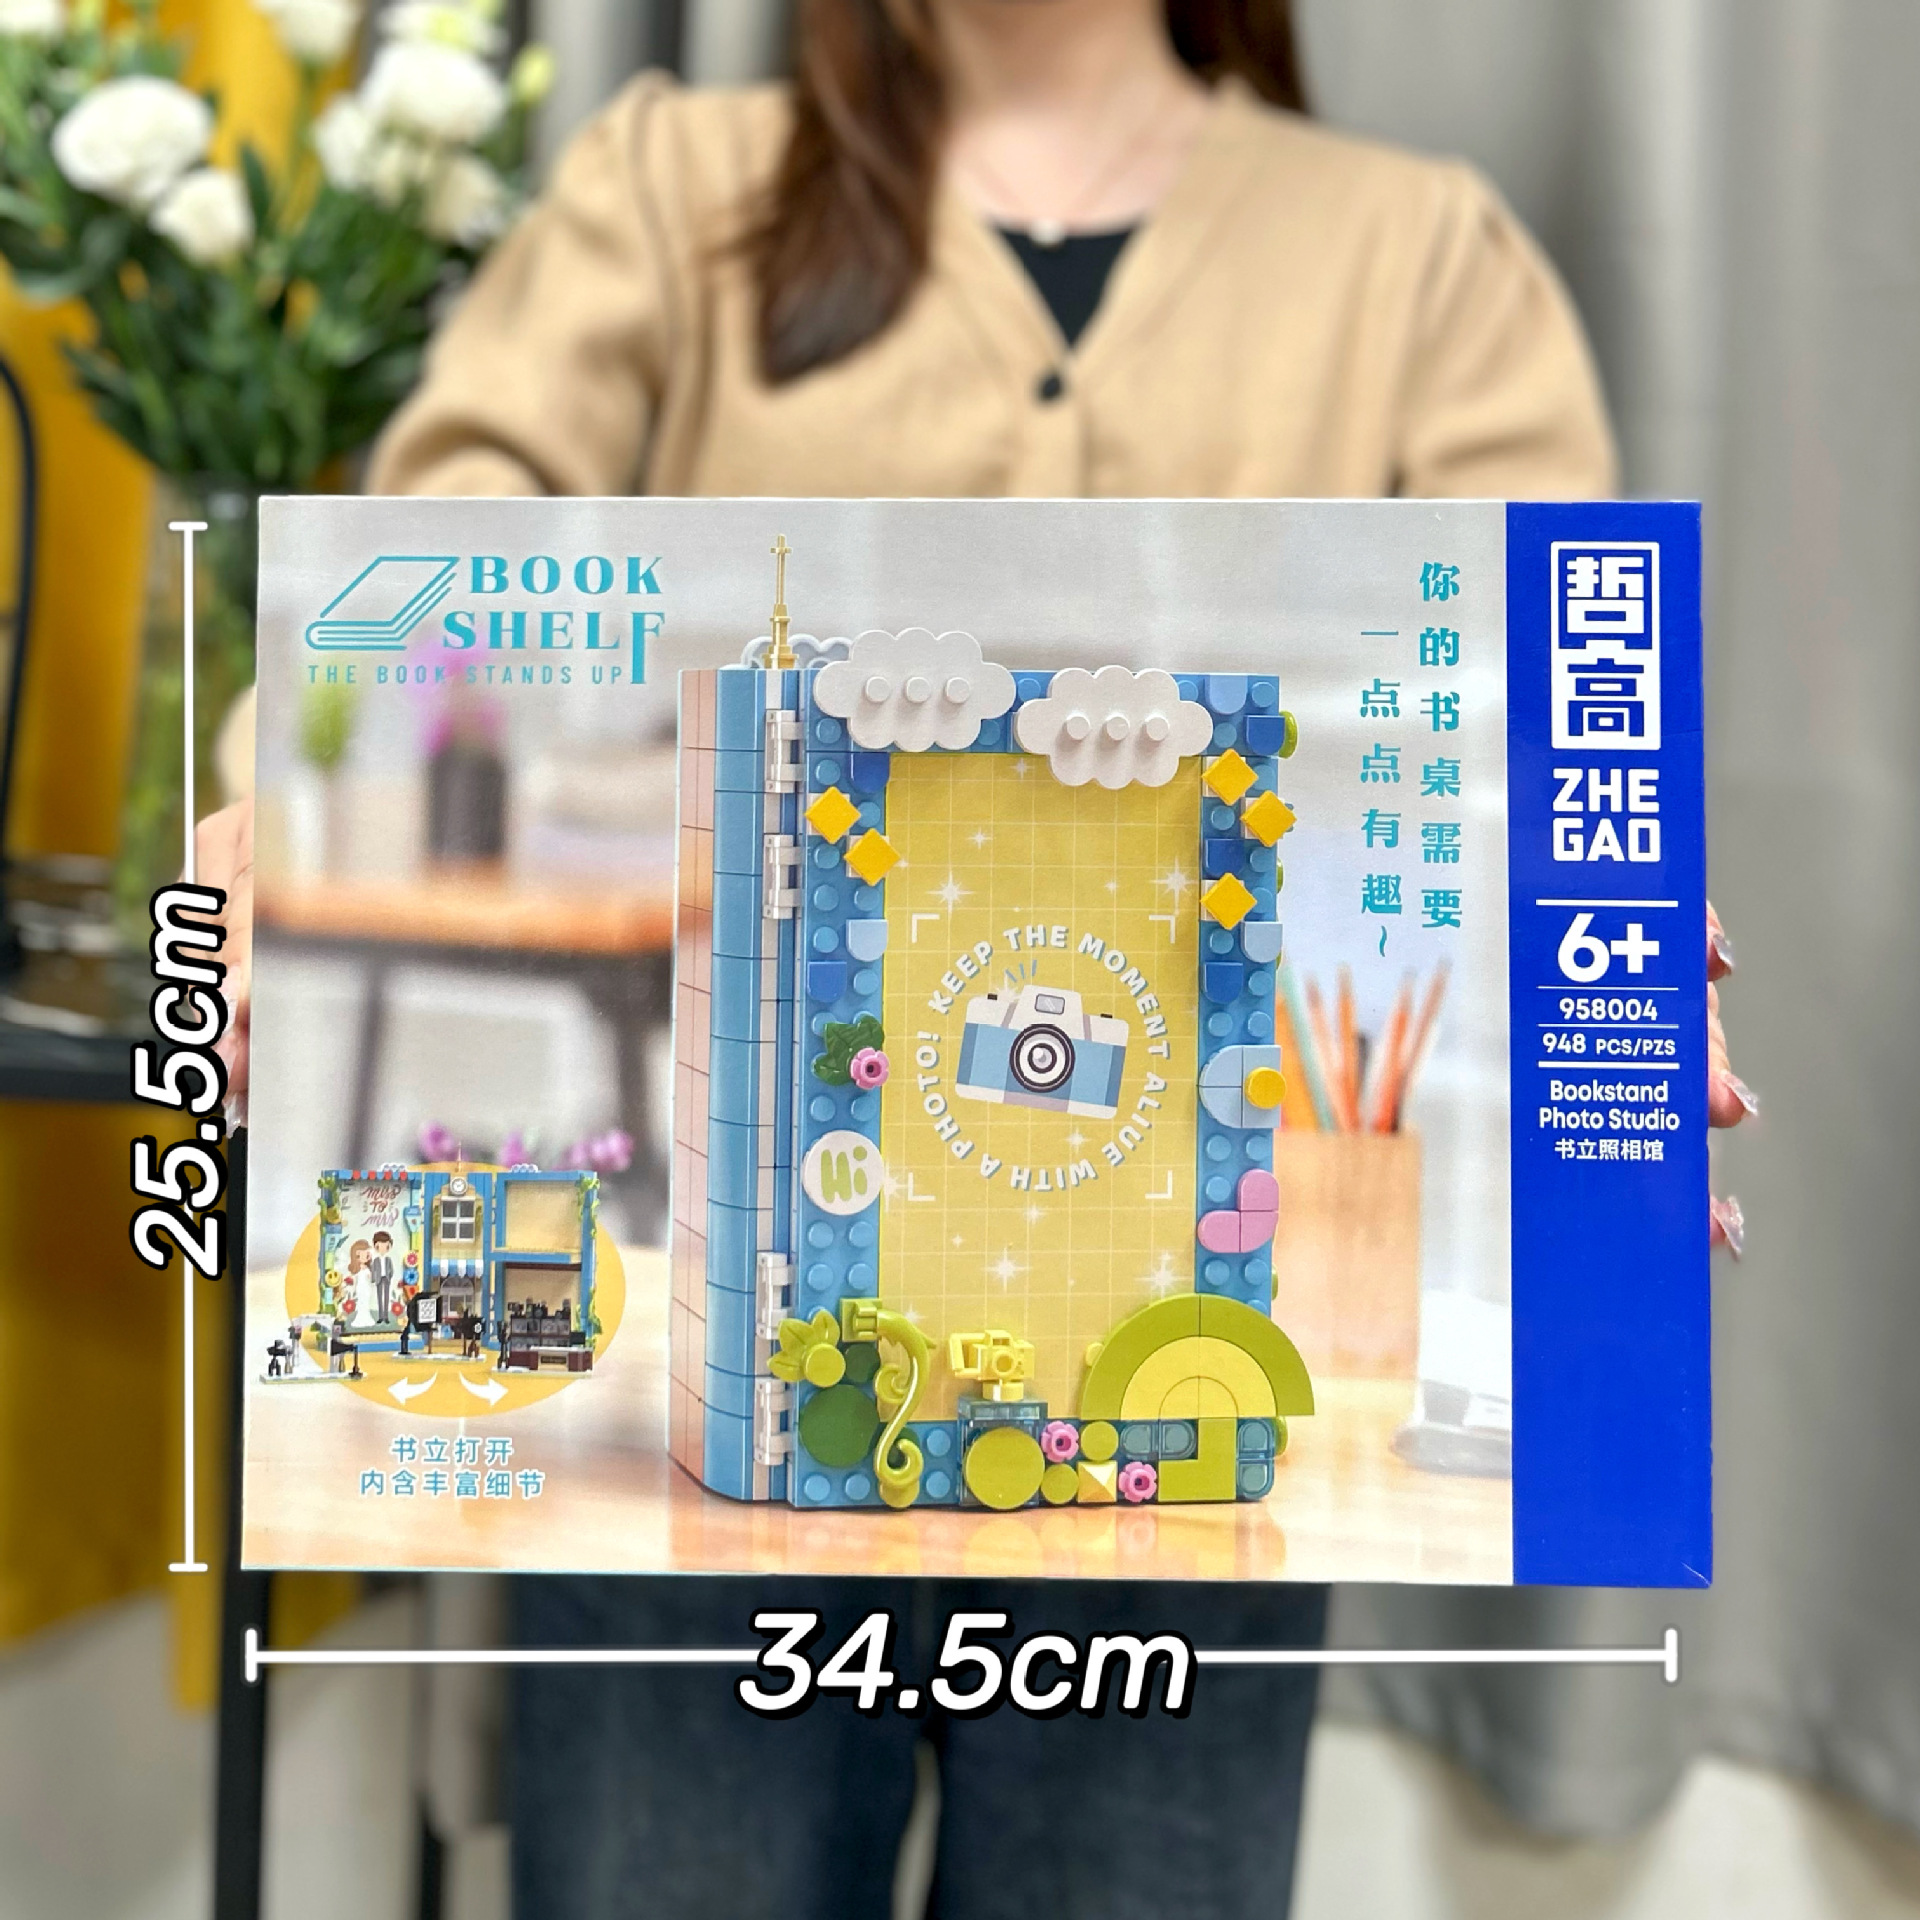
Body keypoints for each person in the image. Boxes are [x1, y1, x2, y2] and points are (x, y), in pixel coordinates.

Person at [199, 0, 1752, 1912]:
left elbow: (1551, 734)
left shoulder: (1419, 256)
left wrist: (1610, 1013)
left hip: (1173, 1363)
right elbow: (433, 593)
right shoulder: (671, 192)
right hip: (729, 1331)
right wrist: (278, 820)